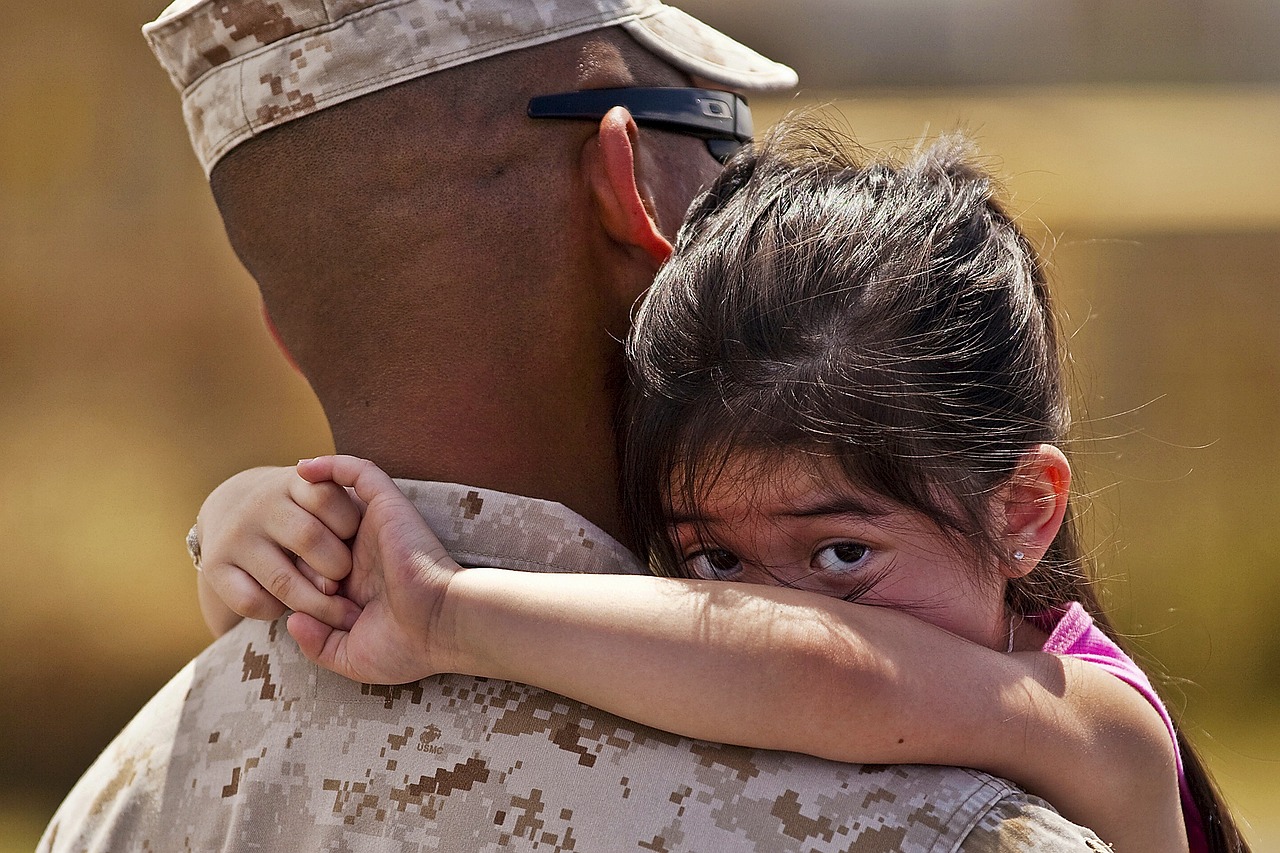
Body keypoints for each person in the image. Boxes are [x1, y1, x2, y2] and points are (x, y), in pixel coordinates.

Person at [39, 0, 1113, 849]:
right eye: (722, 145)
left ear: (279, 325)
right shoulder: (950, 818)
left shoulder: (118, 802)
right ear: (633, 186)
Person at [189, 125, 1250, 853]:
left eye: (841, 555)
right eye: (712, 560)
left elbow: (827, 675)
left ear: (1019, 510)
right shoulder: (706, 665)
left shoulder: (1097, 726)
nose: (763, 607)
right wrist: (255, 536)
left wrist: (445, 612)